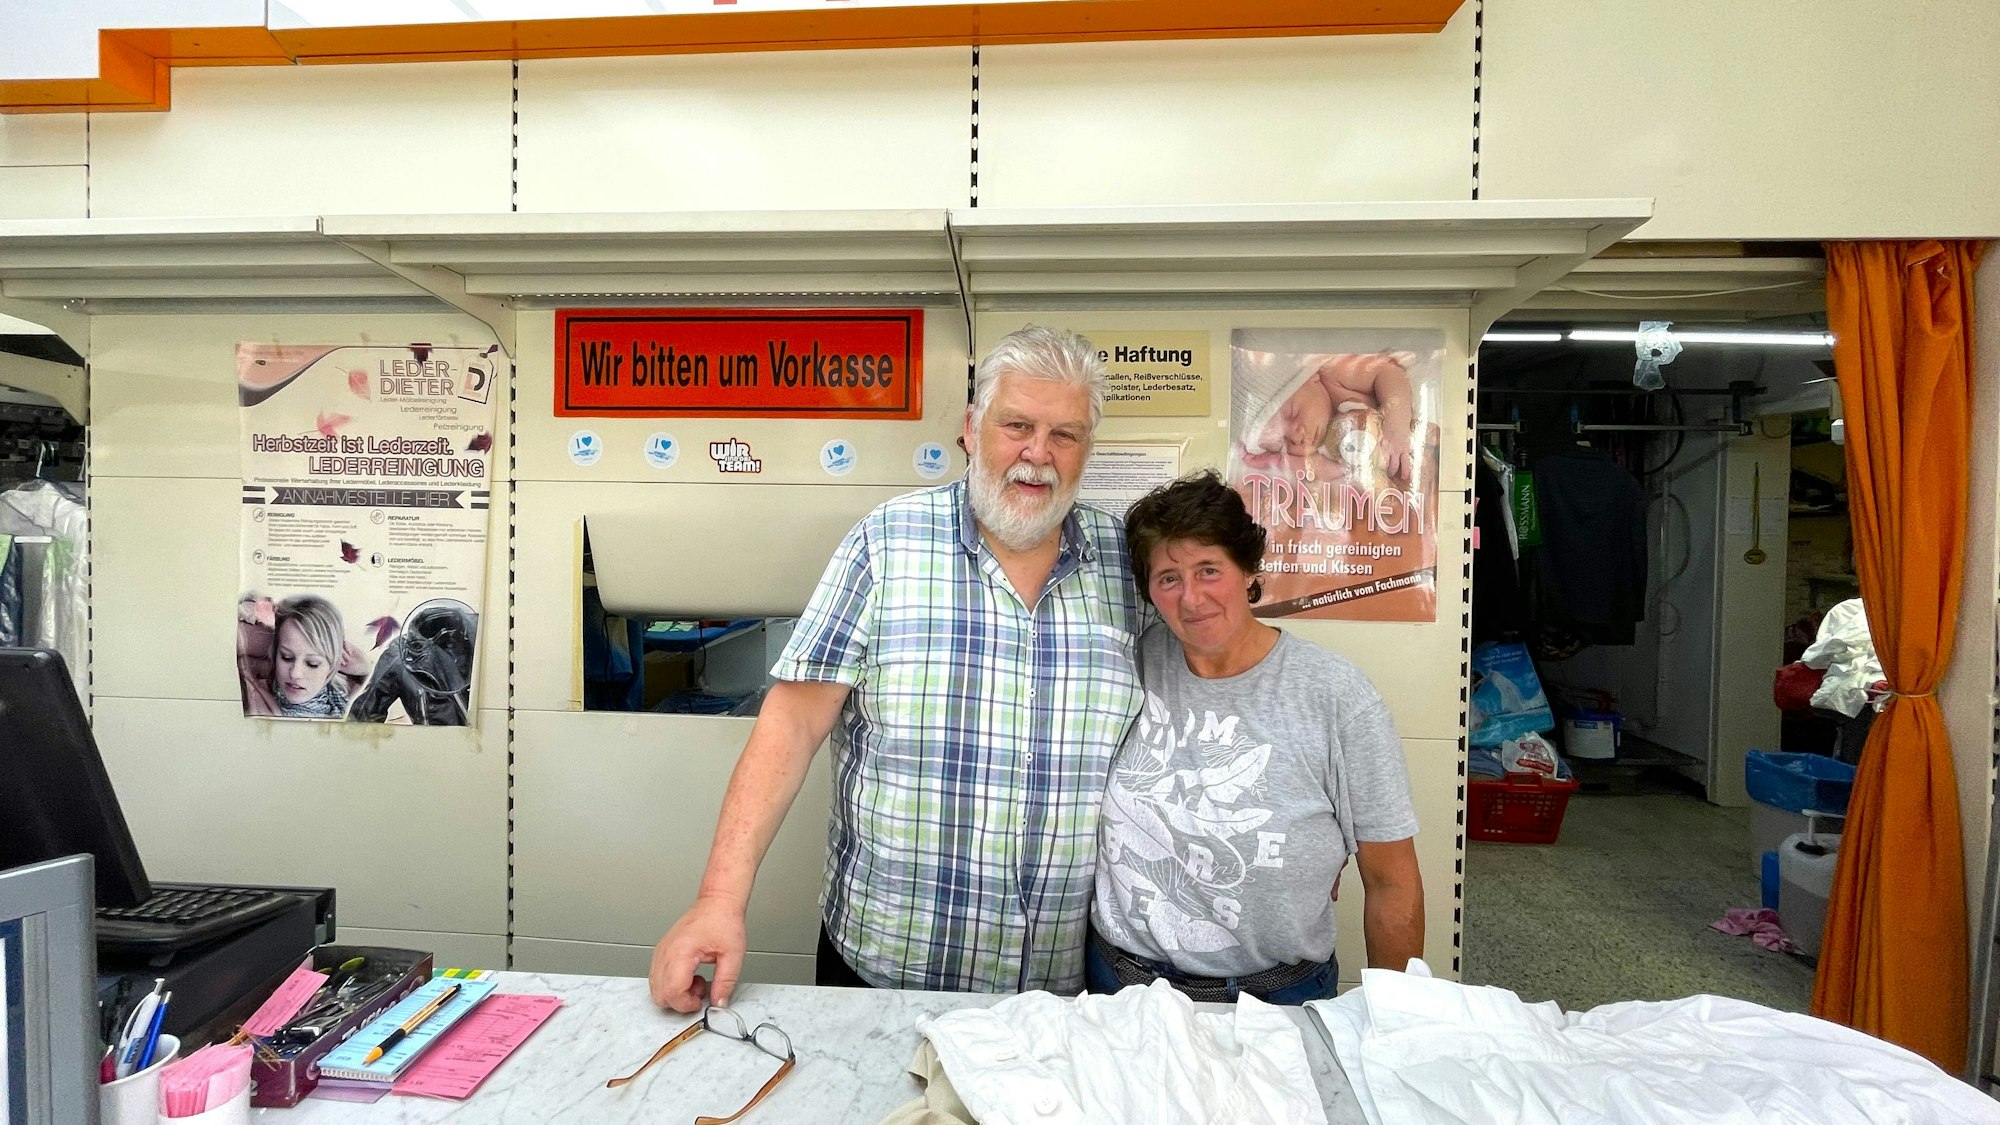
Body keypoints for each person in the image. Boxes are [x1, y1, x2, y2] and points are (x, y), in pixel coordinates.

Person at [649, 326, 1145, 1012]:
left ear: (1088, 449)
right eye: (1018, 425)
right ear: (972, 429)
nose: (1038, 453)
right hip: (882, 976)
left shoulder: (1130, 568)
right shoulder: (886, 544)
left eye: (1066, 433)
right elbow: (792, 725)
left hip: (1056, 994)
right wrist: (718, 900)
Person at [1088, 471, 1424, 1004]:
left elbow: (1392, 880)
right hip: (1124, 988)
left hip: (1274, 996)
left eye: (1208, 570)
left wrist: (1402, 1019)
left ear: (1248, 570)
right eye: (1168, 578)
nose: (1191, 597)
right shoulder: (1128, 665)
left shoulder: (1335, 695)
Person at [241, 594, 365, 719]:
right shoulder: (258, 685)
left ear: (333, 665)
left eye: (312, 664)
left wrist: (366, 669)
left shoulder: (348, 698)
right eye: (286, 657)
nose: (295, 673)